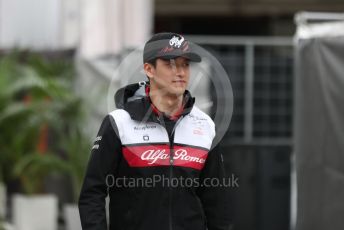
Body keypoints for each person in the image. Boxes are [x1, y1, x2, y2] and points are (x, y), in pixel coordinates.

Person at [79, 32, 232, 230]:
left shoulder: (205, 126)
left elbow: (217, 202)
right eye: (170, 64)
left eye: (185, 64)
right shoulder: (119, 123)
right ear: (149, 69)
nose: (181, 72)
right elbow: (93, 193)